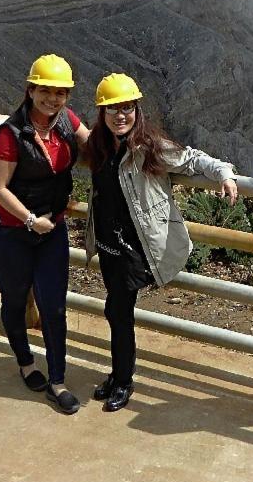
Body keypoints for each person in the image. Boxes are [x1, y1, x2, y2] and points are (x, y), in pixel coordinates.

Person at [84, 73, 237, 411]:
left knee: (118, 310)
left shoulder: (148, 148)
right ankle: (117, 376)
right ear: (102, 113)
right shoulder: (98, 145)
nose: (120, 116)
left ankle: (122, 381)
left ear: (137, 110)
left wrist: (224, 173)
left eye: (127, 108)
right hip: (110, 245)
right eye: (112, 109)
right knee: (114, 309)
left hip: (134, 249)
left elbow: (193, 158)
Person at [0, 54, 90, 415]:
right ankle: (26, 363)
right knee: (14, 299)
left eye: (60, 93)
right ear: (30, 90)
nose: (52, 99)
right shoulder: (10, 134)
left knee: (54, 307)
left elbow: (95, 148)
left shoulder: (66, 122)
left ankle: (57, 382)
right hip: (10, 232)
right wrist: (29, 219)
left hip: (52, 230)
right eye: (45, 91)